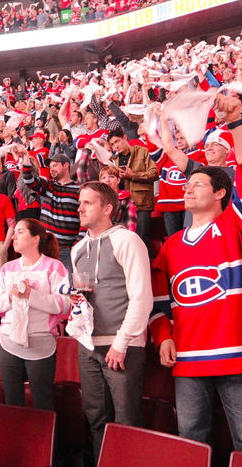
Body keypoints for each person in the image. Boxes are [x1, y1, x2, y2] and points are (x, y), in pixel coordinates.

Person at [150, 95, 242, 454]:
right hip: (189, 355)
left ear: (221, 193)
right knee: (190, 442)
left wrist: (237, 121)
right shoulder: (172, 244)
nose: (188, 187)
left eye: (198, 185)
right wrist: (162, 335)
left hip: (239, 351)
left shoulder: (240, 229)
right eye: (188, 186)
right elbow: (160, 297)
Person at [72, 181, 153, 456]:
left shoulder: (127, 240)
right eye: (80, 202)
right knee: (95, 420)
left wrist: (122, 342)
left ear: (107, 208)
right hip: (88, 345)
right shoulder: (77, 248)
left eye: (87, 203)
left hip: (122, 346)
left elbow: (142, 297)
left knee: (126, 422)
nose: (80, 208)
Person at [0, 218, 70, 411]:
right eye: (14, 232)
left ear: (35, 239)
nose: (14, 236)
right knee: (11, 400)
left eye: (20, 232)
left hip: (40, 342)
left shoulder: (54, 267)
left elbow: (64, 304)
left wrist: (31, 295)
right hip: (8, 341)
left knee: (42, 400)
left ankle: (45, 440)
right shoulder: (8, 268)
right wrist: (10, 295)